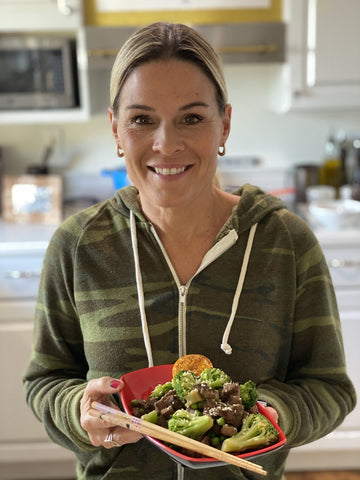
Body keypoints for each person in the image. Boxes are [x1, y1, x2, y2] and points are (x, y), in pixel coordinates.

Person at [23, 22, 356, 480]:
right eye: (142, 119)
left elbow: (329, 387)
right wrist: (77, 409)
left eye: (192, 118)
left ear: (225, 124)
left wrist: (271, 414)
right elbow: (45, 380)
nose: (166, 143)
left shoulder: (285, 243)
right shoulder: (79, 246)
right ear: (117, 130)